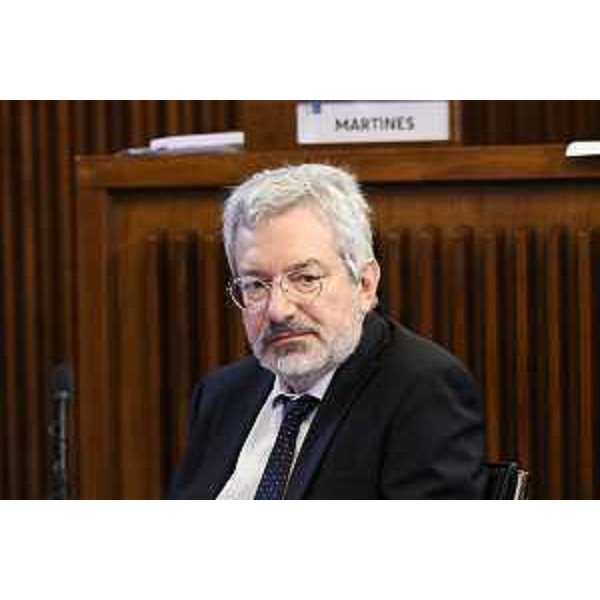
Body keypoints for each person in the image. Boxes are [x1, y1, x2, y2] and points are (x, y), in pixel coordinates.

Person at [169, 163, 486, 499]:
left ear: (364, 284)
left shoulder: (421, 389)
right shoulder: (222, 395)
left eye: (305, 279)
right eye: (255, 285)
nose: (278, 310)